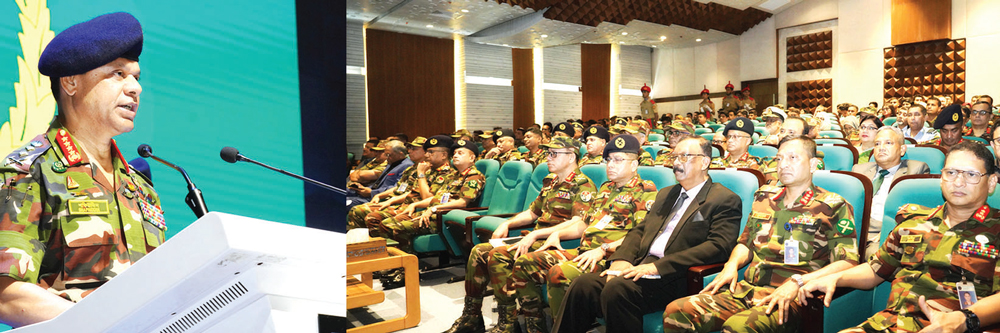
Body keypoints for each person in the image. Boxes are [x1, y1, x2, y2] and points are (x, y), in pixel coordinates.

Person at [0, 12, 163, 326]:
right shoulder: (31, 172)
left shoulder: (141, 188)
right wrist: (104, 325)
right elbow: (6, 294)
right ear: (70, 82)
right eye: (118, 74)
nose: (135, 88)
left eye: (136, 77)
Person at [662, 137, 859, 333]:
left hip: (791, 298)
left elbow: (848, 262)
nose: (783, 165)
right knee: (677, 311)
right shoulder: (764, 198)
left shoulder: (832, 206)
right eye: (780, 159)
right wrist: (731, 266)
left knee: (739, 327)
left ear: (813, 164)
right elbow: (745, 243)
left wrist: (798, 282)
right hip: (746, 291)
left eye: (793, 158)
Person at [800, 141, 1000, 332]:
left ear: (991, 183)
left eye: (971, 175)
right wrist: (835, 278)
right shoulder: (913, 223)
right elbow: (875, 270)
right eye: (951, 172)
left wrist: (966, 319)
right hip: (888, 324)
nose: (958, 182)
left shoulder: (996, 230)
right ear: (942, 178)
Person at [552, 136, 742, 333]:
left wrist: (656, 267)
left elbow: (719, 246)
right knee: (583, 285)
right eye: (675, 156)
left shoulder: (724, 199)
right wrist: (622, 259)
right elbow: (640, 230)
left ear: (705, 162)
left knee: (617, 289)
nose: (676, 162)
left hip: (676, 276)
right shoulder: (667, 193)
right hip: (640, 268)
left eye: (684, 157)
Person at [444, 136, 596, 333]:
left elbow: (578, 223)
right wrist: (508, 223)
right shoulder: (550, 181)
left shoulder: (583, 185)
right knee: (479, 251)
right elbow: (533, 213)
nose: (548, 158)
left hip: (561, 242)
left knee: (498, 255)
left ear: (571, 157)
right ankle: (471, 316)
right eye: (548, 153)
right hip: (537, 238)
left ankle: (514, 323)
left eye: (554, 154)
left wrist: (538, 233)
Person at [509, 134, 657, 333]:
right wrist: (559, 234)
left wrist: (604, 250)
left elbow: (641, 234)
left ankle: (563, 327)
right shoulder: (606, 188)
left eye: (619, 160)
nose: (611, 165)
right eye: (609, 160)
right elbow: (583, 225)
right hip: (583, 251)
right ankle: (535, 327)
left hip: (610, 257)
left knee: (558, 273)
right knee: (525, 263)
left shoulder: (645, 191)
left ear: (634, 164)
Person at [851, 127, 929, 257]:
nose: (881, 147)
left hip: (886, 231)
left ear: (902, 149)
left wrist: (889, 231)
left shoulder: (915, 170)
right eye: (877, 144)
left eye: (888, 143)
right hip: (856, 229)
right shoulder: (859, 170)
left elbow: (916, 212)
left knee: (875, 255)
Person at [346, 136, 454, 229]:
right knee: (358, 211)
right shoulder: (423, 169)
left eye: (430, 152)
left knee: (374, 218)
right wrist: (387, 199)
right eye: (427, 151)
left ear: (444, 155)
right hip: (404, 203)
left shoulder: (443, 173)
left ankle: (390, 250)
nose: (410, 151)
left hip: (419, 208)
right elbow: (407, 190)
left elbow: (427, 198)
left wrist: (421, 174)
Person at [346, 139, 415, 209]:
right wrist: (365, 189)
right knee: (341, 193)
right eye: (385, 154)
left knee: (343, 203)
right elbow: (378, 183)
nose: (387, 158)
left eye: (389, 155)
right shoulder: (391, 163)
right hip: (369, 192)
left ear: (400, 154)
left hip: (379, 198)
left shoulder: (407, 166)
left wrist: (372, 192)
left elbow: (397, 187)